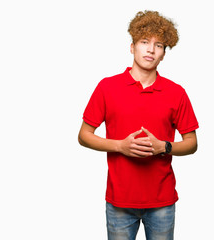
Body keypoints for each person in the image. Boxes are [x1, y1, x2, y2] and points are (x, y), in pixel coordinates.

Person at [78, 10, 199, 240]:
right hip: (119, 201)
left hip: (162, 201)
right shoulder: (107, 87)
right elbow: (84, 135)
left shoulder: (176, 93)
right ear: (132, 47)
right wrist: (120, 146)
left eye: (159, 45)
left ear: (164, 53)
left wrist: (164, 146)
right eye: (145, 42)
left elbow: (192, 143)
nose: (151, 49)